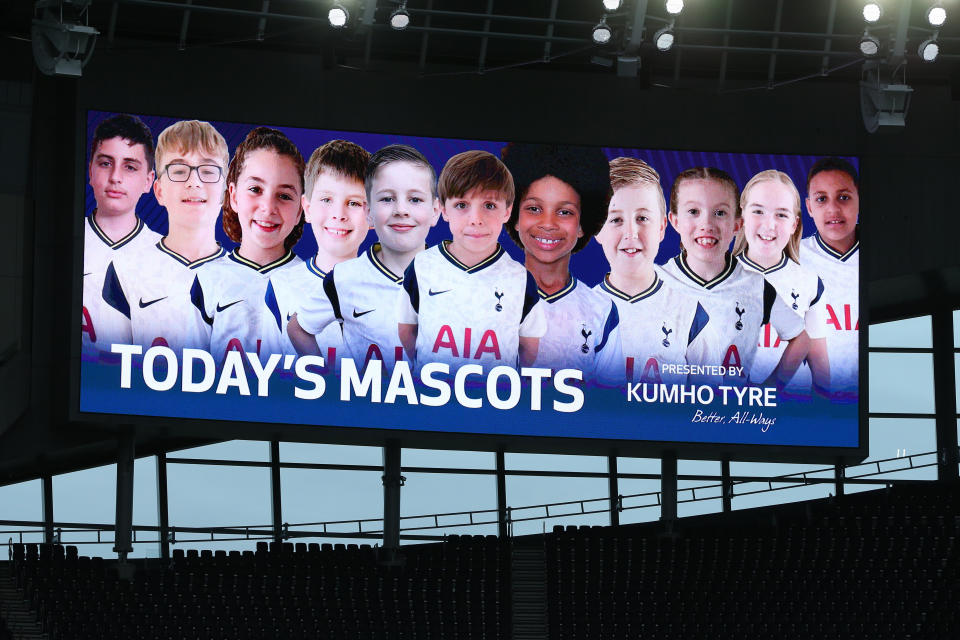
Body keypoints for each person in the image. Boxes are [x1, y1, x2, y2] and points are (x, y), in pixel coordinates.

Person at [288, 145, 440, 373]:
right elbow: (298, 329)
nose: (401, 210)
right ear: (371, 211)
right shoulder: (344, 278)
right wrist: (327, 382)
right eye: (388, 199)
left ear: (436, 210)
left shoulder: (454, 276)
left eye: (415, 199)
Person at [397, 150, 545, 373]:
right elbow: (407, 330)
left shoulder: (520, 279)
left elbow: (528, 347)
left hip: (493, 403)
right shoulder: (422, 267)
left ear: (507, 211)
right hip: (432, 399)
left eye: (489, 205)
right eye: (462, 205)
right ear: (443, 209)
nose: (476, 220)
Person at [659, 167, 806, 387]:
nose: (706, 224)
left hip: (729, 418)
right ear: (675, 220)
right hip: (666, 418)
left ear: (737, 224)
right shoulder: (653, 282)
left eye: (720, 213)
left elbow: (801, 339)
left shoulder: (756, 287)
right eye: (693, 212)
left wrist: (769, 390)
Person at [101, 119, 229, 353]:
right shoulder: (125, 270)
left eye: (208, 171)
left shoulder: (246, 280)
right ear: (159, 191)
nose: (194, 182)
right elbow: (109, 369)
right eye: (179, 170)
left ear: (224, 191)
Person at [501, 143, 620, 381]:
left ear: (582, 225)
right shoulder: (483, 296)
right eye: (534, 208)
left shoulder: (601, 311)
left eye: (564, 212)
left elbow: (609, 405)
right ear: (514, 217)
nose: (548, 223)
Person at [594, 157, 715, 386]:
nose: (631, 233)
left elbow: (711, 403)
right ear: (596, 228)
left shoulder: (690, 315)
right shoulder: (580, 312)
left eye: (642, 218)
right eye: (616, 219)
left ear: (661, 227)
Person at [191, 127, 305, 365]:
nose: (268, 207)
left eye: (284, 195)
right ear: (233, 196)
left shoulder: (313, 284)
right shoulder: (208, 279)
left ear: (300, 210)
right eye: (255, 189)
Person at [733, 170, 830, 394]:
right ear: (742, 217)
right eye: (758, 211)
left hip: (790, 416)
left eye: (781, 215)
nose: (769, 225)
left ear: (794, 224)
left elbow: (821, 374)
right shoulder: (716, 276)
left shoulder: (809, 283)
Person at [282, 139, 371, 367]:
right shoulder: (279, 286)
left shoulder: (393, 287)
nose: (338, 214)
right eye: (326, 199)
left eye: (353, 203)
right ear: (308, 209)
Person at [82, 114, 161, 360]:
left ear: (149, 181)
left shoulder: (167, 256)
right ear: (91, 171)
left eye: (130, 166)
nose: (115, 177)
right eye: (106, 163)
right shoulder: (67, 243)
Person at [799, 157, 860, 399]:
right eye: (821, 199)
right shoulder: (792, 259)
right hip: (812, 405)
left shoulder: (885, 253)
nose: (833, 210)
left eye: (843, 197)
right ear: (809, 207)